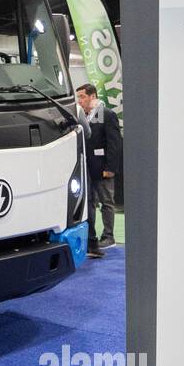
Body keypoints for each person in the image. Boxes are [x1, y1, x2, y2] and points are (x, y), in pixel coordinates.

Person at [76, 83, 123, 259]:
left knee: (107, 202)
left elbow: (114, 143)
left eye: (82, 96)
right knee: (90, 204)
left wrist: (111, 168)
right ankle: (92, 239)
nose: (79, 100)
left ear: (92, 96)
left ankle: (109, 236)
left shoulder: (107, 115)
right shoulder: (83, 117)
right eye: (78, 97)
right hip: (87, 169)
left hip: (103, 168)